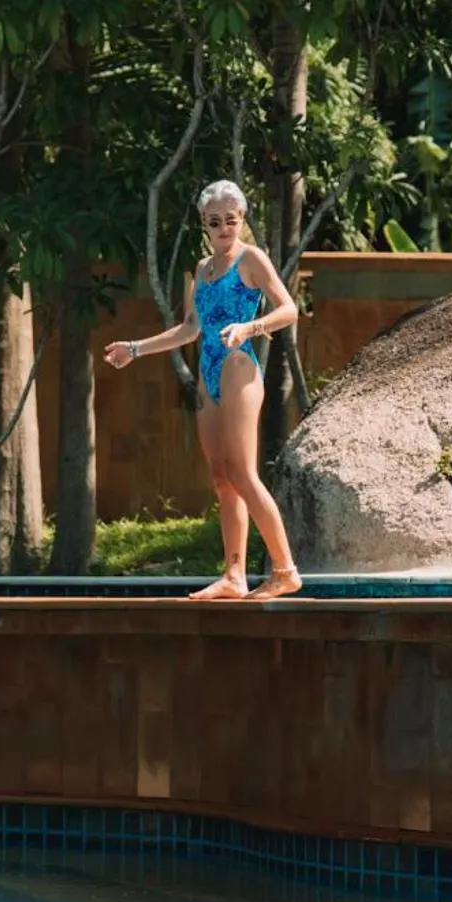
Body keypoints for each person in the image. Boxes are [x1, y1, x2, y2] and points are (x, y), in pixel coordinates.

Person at [104, 180, 304, 600]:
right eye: (216, 222)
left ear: (241, 220)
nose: (224, 229)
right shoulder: (203, 269)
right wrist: (136, 349)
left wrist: (251, 326)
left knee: (242, 472)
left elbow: (288, 308)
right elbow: (192, 327)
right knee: (221, 478)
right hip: (209, 370)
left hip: (238, 367)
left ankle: (285, 570)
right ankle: (234, 576)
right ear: (204, 225)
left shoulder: (252, 259)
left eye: (231, 221)